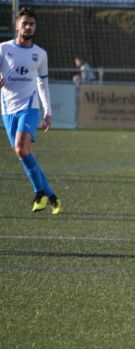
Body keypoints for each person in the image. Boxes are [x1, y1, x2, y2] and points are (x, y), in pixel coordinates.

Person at [0, 7, 62, 215]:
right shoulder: (3, 49)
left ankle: (39, 193)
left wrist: (48, 111)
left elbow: (43, 84)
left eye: (32, 24)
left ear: (35, 27)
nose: (28, 27)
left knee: (20, 149)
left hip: (29, 106)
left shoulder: (40, 54)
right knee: (24, 154)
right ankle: (52, 197)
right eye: (24, 23)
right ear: (17, 25)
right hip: (8, 110)